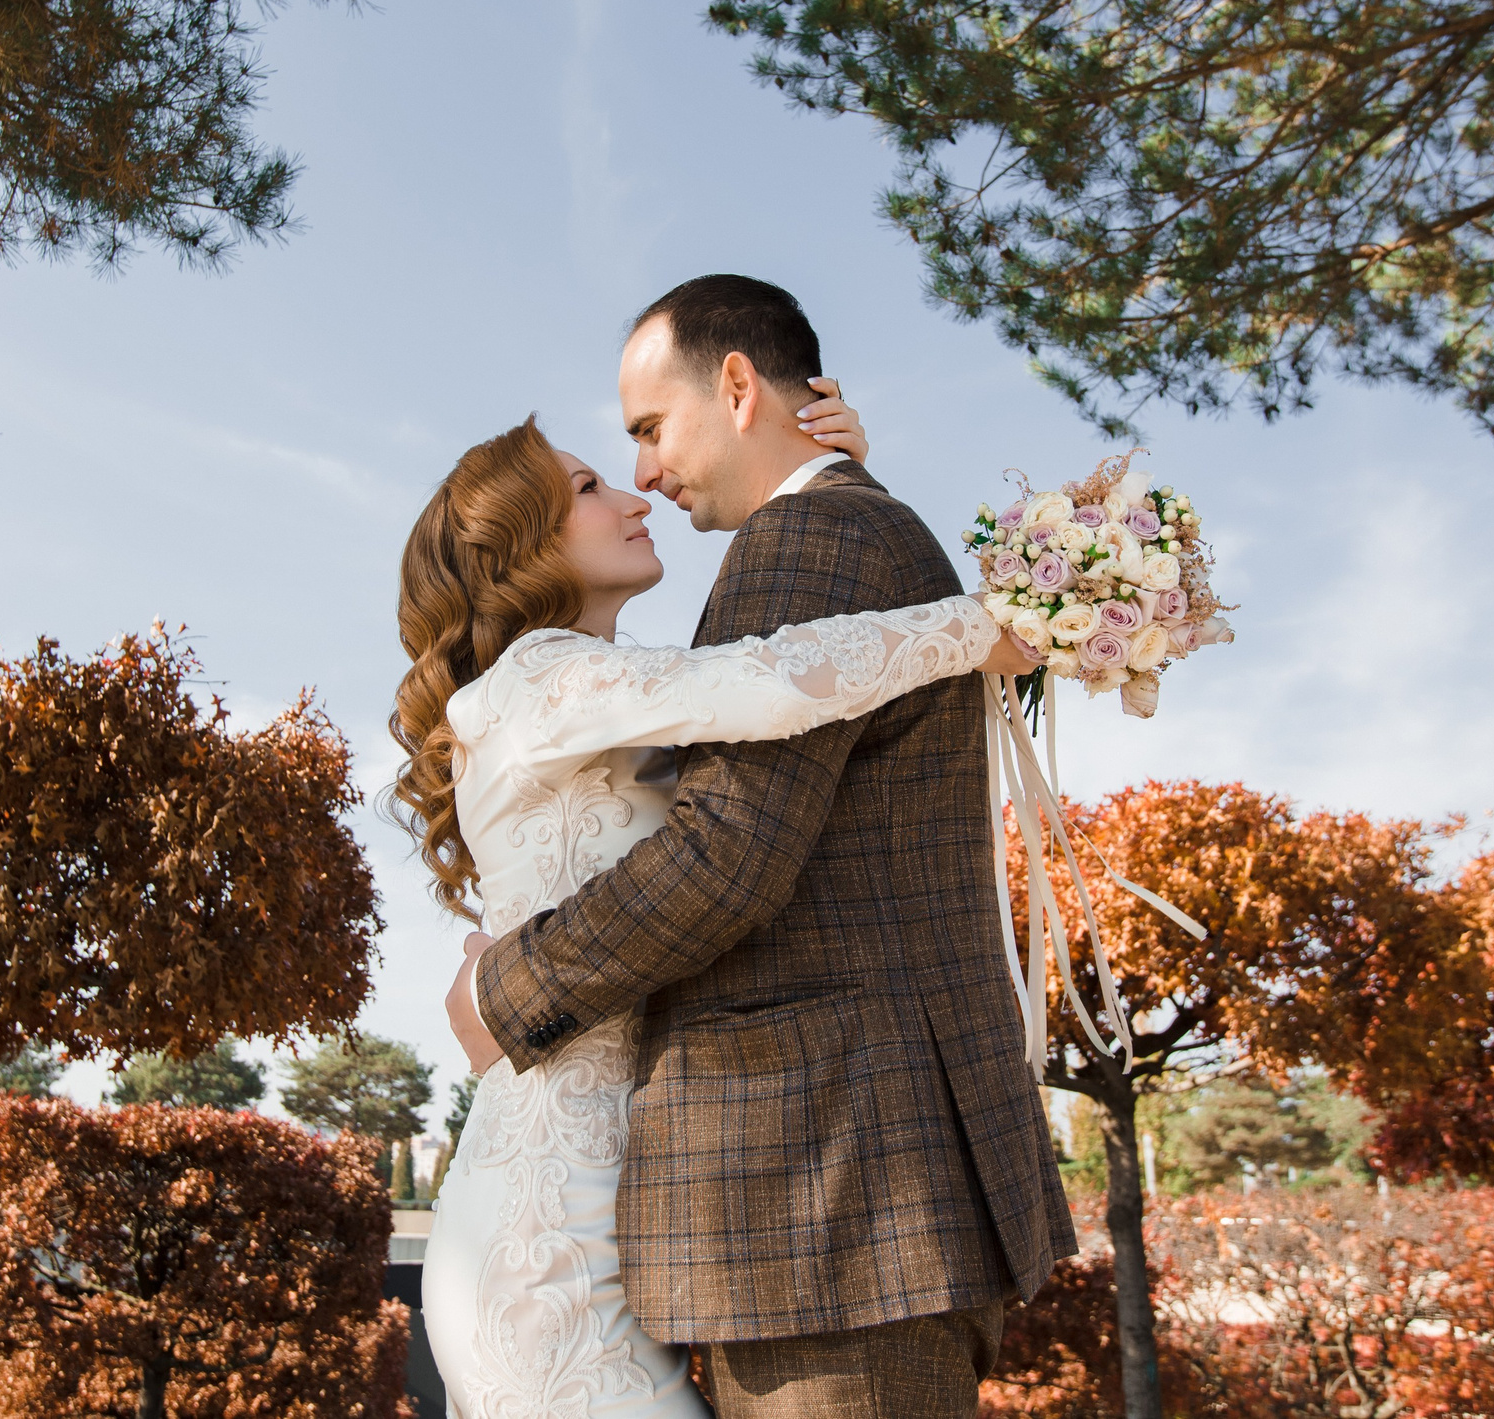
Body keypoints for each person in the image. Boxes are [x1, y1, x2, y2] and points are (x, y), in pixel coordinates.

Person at [436, 276, 1074, 1418]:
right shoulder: (843, 529)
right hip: (792, 1196)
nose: (639, 476)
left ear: (736, 387)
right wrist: (988, 619)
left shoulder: (807, 539)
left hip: (823, 1196)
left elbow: (725, 852)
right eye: (602, 469)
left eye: (644, 431)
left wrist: (506, 986)